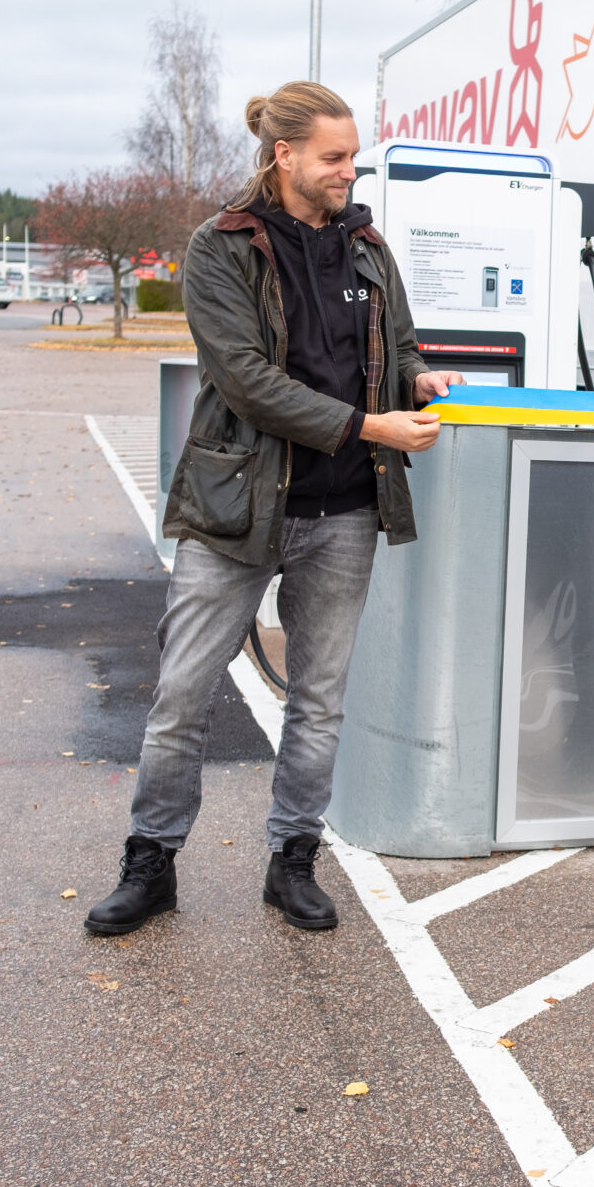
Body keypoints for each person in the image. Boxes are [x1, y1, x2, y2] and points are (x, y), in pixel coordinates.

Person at [84, 82, 463, 936]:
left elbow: (397, 344)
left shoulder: (367, 246)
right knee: (183, 693)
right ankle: (151, 863)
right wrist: (372, 424)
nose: (348, 171)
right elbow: (246, 382)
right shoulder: (221, 246)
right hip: (237, 507)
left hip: (345, 512)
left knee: (318, 700)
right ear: (283, 154)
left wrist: (418, 378)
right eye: (334, 158)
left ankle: (293, 861)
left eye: (353, 157)